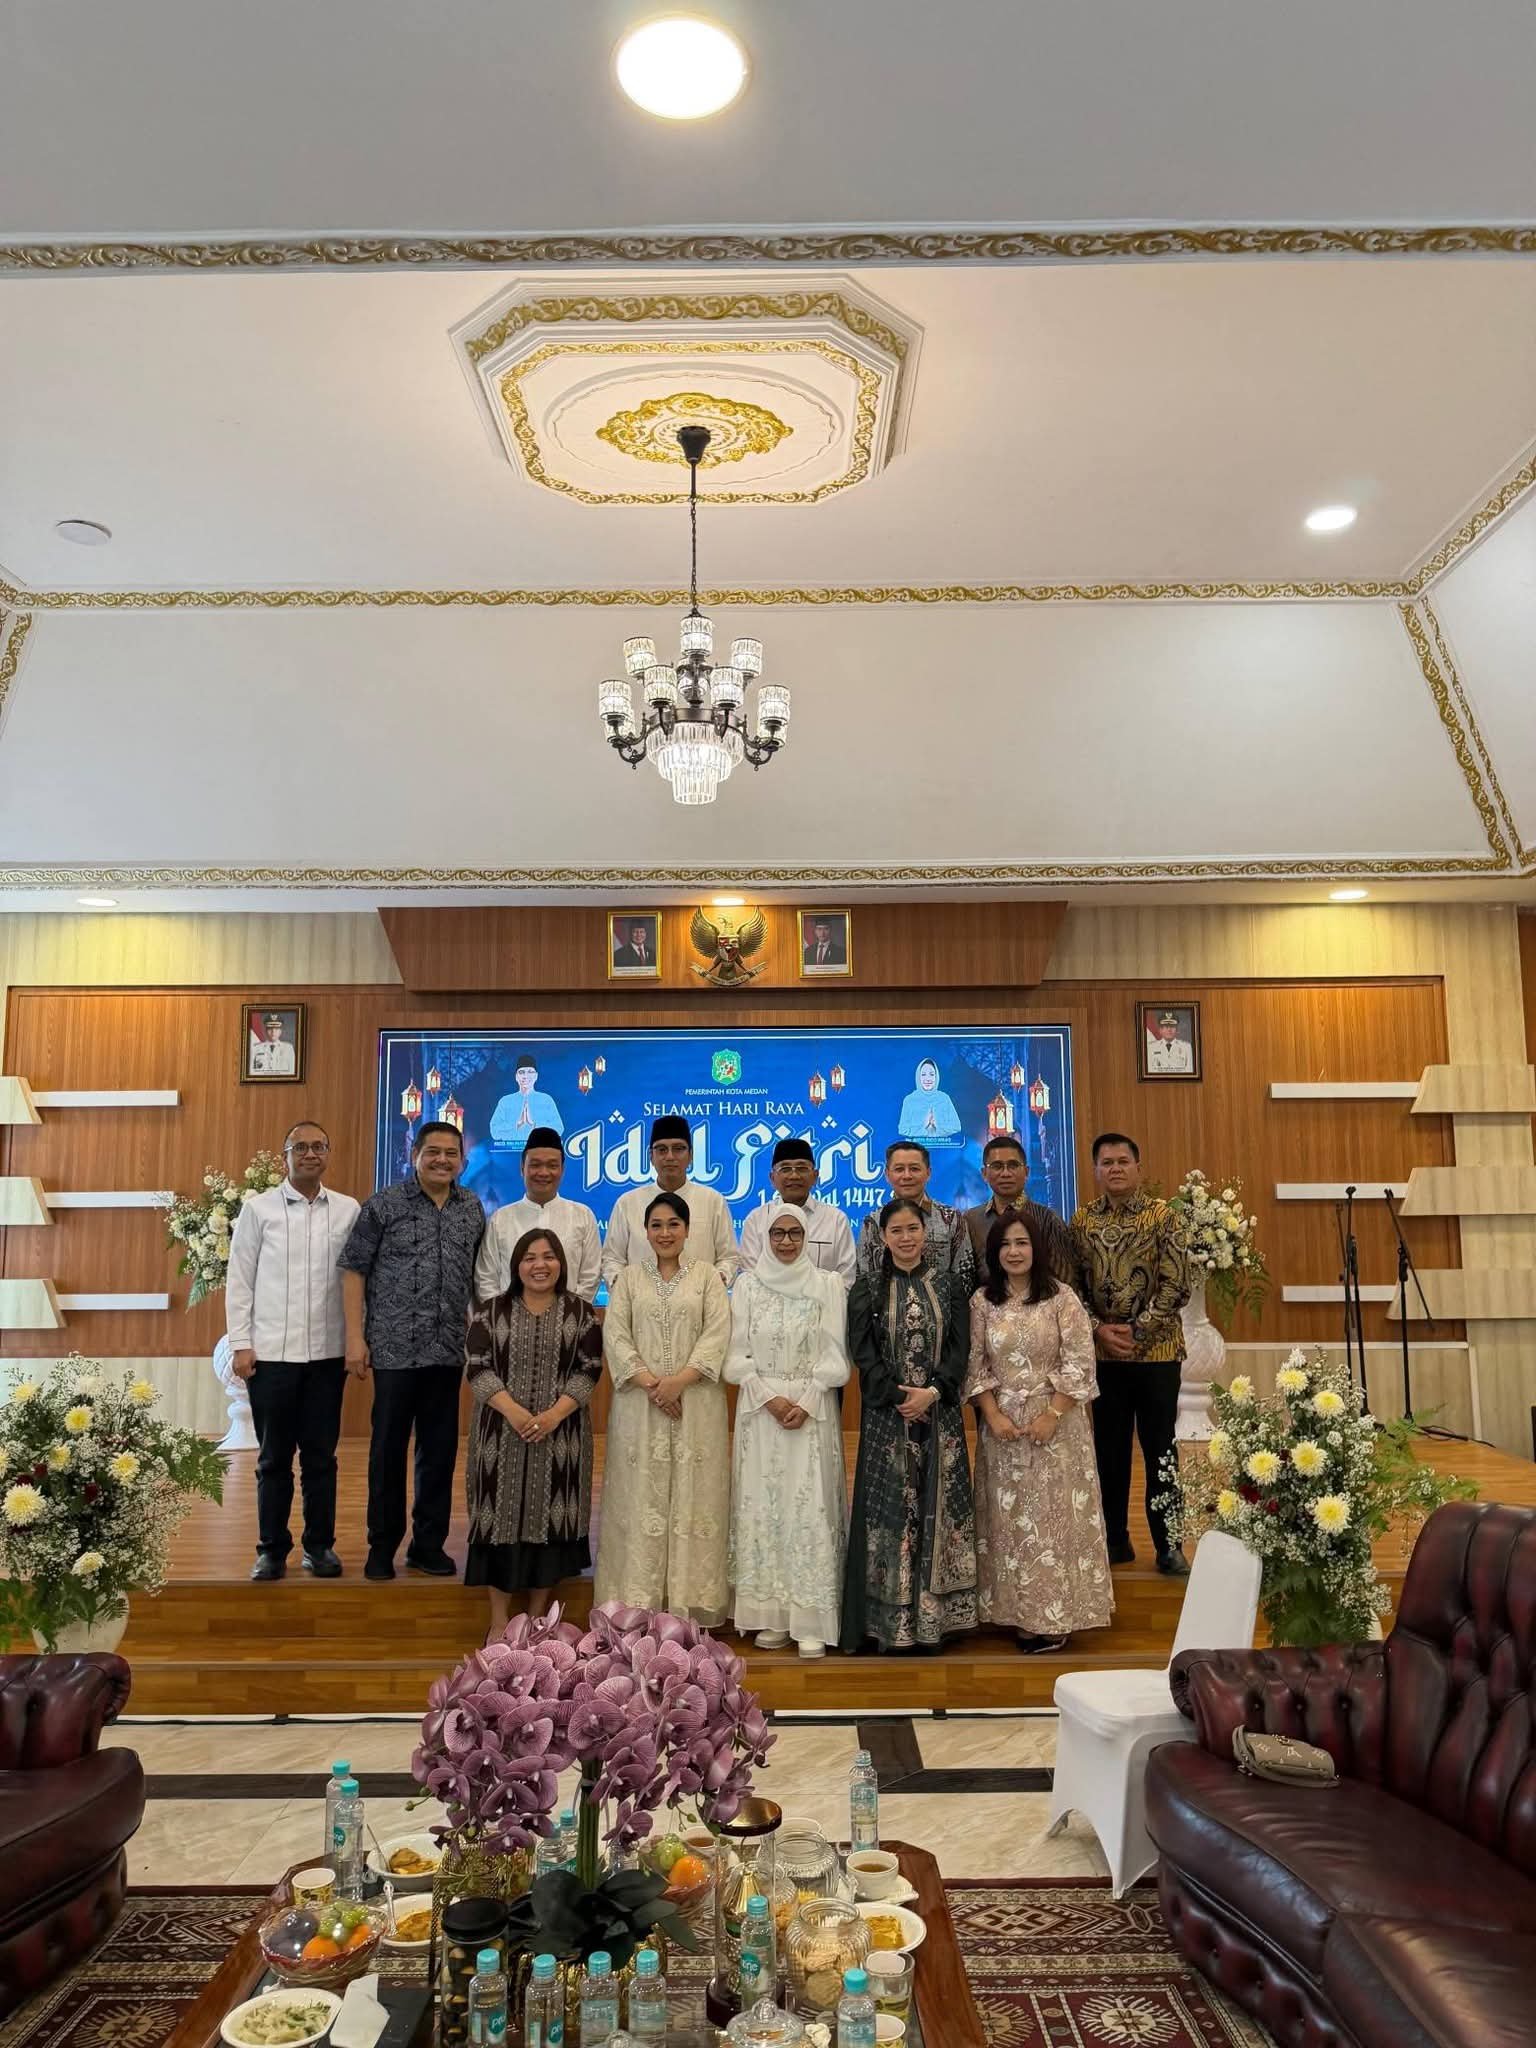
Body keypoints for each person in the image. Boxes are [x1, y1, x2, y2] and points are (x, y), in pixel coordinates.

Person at [339, 1120, 486, 1583]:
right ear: (414, 1154)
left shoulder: (471, 1208)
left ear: (462, 1160)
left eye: (451, 1153)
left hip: (448, 1351)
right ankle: (382, 1546)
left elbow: (474, 1279)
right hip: (393, 1349)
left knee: (438, 1453)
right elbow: (353, 1270)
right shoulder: (383, 1205)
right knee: (387, 1451)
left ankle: (427, 1545)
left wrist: (480, 1337)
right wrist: (354, 1337)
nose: (442, 1160)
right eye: (433, 1152)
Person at [966, 1212, 1112, 1650]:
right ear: (994, 1253)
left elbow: (1080, 1362)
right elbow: (975, 1365)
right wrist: (992, 1415)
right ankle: (1015, 1611)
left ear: (1037, 1248)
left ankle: (1055, 1614)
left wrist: (1052, 1413)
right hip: (1003, 1428)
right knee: (1009, 1520)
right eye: (1005, 1245)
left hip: (1057, 1427)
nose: (1014, 1252)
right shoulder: (982, 1302)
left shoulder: (1062, 1298)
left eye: (1022, 1243)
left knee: (1052, 1519)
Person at [840, 1195, 977, 1653]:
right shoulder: (866, 1289)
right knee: (891, 1513)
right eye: (896, 1231)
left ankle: (936, 1621)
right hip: (887, 1418)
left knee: (939, 1508)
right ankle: (889, 1621)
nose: (905, 1238)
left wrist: (932, 1392)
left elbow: (959, 1349)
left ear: (925, 1234)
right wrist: (901, 1397)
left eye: (912, 1229)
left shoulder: (949, 1285)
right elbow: (863, 1355)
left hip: (941, 1415)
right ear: (883, 1237)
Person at [225, 1121, 360, 1581]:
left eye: (318, 1146)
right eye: (299, 1147)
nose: (310, 1154)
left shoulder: (347, 1210)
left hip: (326, 1356)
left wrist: (356, 1339)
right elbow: (240, 1279)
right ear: (285, 1156)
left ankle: (319, 1548)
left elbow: (356, 1279)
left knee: (321, 1459)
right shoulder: (258, 1209)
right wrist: (241, 1344)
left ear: (328, 1154)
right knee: (273, 1460)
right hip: (271, 1358)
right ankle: (271, 1550)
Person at [596, 1191, 732, 1623]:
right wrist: (654, 1385)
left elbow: (718, 1333)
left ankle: (690, 1603)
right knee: (641, 1497)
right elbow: (616, 1336)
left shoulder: (708, 1277)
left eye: (674, 1224)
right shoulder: (629, 1279)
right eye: (656, 1225)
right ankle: (636, 1603)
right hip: (640, 1406)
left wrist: (680, 1382)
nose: (665, 1232)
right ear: (645, 1231)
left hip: (697, 1404)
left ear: (688, 1229)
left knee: (696, 1498)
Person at [464, 1226, 603, 1637]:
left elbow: (590, 1369)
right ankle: (498, 1622)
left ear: (561, 1263)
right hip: (499, 1436)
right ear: (516, 1266)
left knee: (551, 1526)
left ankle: (538, 1620)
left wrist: (555, 1415)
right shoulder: (491, 1312)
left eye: (548, 1257)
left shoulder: (581, 1314)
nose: (539, 1265)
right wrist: (514, 1412)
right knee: (497, 1523)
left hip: (562, 1437)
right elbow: (477, 1366)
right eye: (529, 1258)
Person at [725, 1201, 850, 1657]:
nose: (785, 1241)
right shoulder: (747, 1285)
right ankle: (772, 1614)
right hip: (761, 1412)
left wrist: (808, 1399)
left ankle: (810, 1617)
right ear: (764, 1237)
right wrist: (770, 1399)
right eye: (777, 1233)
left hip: (811, 1411)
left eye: (794, 1233)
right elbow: (735, 1356)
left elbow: (836, 1356)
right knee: (764, 1508)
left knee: (808, 1506)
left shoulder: (827, 1285)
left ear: (806, 1237)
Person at [1070, 1132, 1193, 1577]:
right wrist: (1097, 1330)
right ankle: (1115, 1541)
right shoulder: (1082, 1221)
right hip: (1105, 1358)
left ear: (1138, 1167)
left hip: (1158, 1353)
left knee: (1161, 1450)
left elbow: (1178, 1283)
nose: (1115, 1168)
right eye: (1107, 1162)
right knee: (1109, 1452)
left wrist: (1138, 1329)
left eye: (1123, 1161)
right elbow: (1072, 1288)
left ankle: (1169, 1545)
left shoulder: (1164, 1217)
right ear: (1095, 1170)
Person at [601, 1114, 738, 1286]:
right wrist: (621, 1285)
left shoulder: (712, 1200)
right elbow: (612, 1259)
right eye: (662, 1150)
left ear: (691, 1155)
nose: (670, 1157)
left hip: (700, 1298)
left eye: (678, 1149)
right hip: (640, 1299)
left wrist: (717, 1281)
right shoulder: (628, 1203)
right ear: (651, 1157)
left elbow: (729, 1257)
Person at [474, 1127, 600, 1303]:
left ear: (562, 1170)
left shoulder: (582, 1216)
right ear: (522, 1168)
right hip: (509, 1318)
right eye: (535, 1165)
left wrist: (568, 1313)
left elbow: (590, 1277)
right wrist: (504, 1314)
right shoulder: (500, 1219)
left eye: (552, 1165)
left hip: (569, 1317)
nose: (543, 1172)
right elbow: (486, 1279)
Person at [962, 1133, 1079, 1296]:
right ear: (984, 1173)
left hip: (1040, 1307)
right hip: (987, 1307)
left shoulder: (1047, 1219)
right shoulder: (971, 1220)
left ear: (1026, 1172)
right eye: (997, 1166)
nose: (1005, 1173)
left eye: (1013, 1165)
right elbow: (967, 1281)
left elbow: (1066, 1283)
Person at [737, 1136, 857, 1287]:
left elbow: (846, 1280)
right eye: (785, 1169)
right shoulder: (756, 1220)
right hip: (766, 1302)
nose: (794, 1176)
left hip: (824, 1301)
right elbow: (750, 1278)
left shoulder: (836, 1220)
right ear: (772, 1178)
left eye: (802, 1168)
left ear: (815, 1176)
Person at [856, 1141, 975, 1292]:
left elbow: (965, 1275)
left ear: (928, 1173)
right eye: (899, 1169)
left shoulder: (951, 1219)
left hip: (942, 1305)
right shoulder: (873, 1222)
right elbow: (863, 1279)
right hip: (886, 1305)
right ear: (887, 1174)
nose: (907, 1176)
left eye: (914, 1169)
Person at [489, 1056, 564, 1147]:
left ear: (536, 1076)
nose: (526, 1076)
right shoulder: (505, 1101)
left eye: (530, 1072)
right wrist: (516, 1123)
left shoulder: (546, 1100)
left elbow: (559, 1129)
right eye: (521, 1072)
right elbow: (494, 1131)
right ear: (516, 1077)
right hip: (510, 1151)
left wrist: (534, 1124)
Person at [897, 1057, 962, 1142]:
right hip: (916, 1147)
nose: (928, 1079)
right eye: (923, 1074)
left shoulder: (944, 1098)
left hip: (943, 1147)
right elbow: (902, 1130)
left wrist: (937, 1125)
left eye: (931, 1074)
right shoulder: (909, 1100)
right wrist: (924, 1125)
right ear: (918, 1077)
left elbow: (956, 1127)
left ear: (936, 1076)